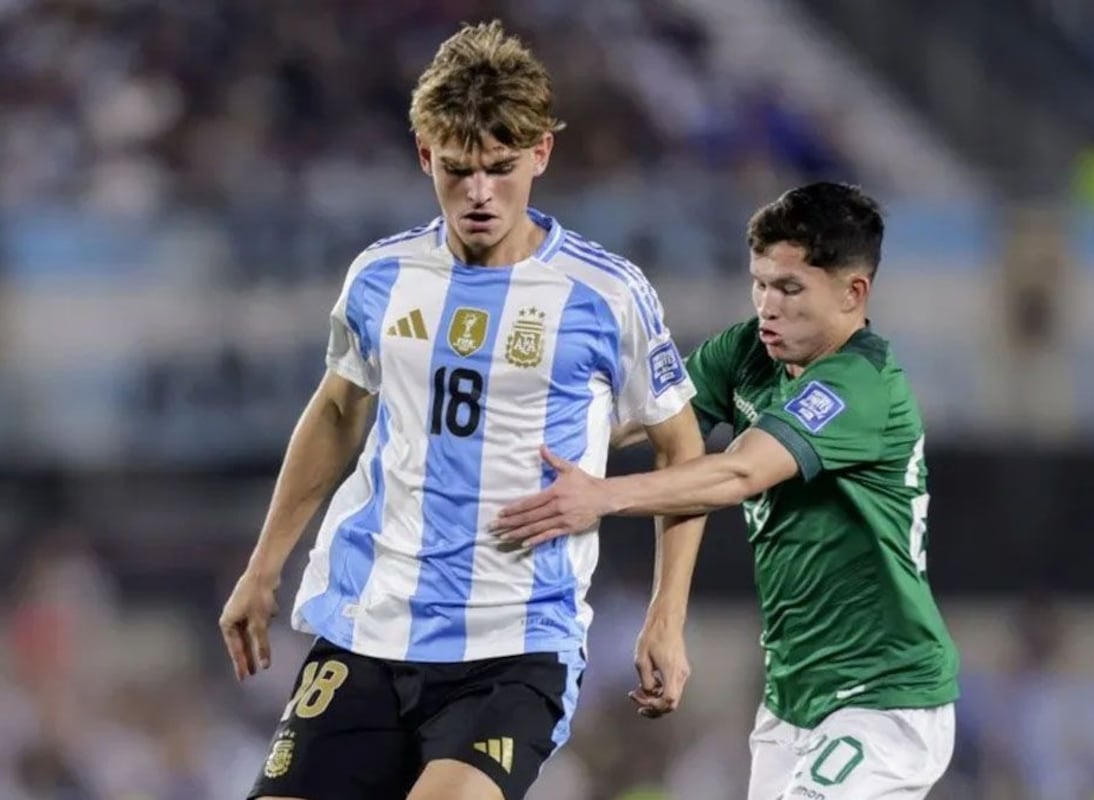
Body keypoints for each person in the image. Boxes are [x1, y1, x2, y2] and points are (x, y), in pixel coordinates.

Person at [217, 20, 707, 800]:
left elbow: (684, 453)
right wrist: (263, 565)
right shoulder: (381, 276)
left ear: (541, 153)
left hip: (514, 647)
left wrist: (665, 617)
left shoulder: (606, 294)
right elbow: (339, 411)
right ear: (425, 155)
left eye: (502, 168)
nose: (480, 193)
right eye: (458, 169)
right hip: (371, 628)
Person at [493, 182, 960, 799]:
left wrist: (601, 496)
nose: (768, 305)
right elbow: (644, 421)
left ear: (854, 292)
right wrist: (506, 426)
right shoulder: (746, 351)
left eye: (790, 289)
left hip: (885, 698)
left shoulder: (861, 384)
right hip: (793, 697)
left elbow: (736, 473)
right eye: (760, 282)